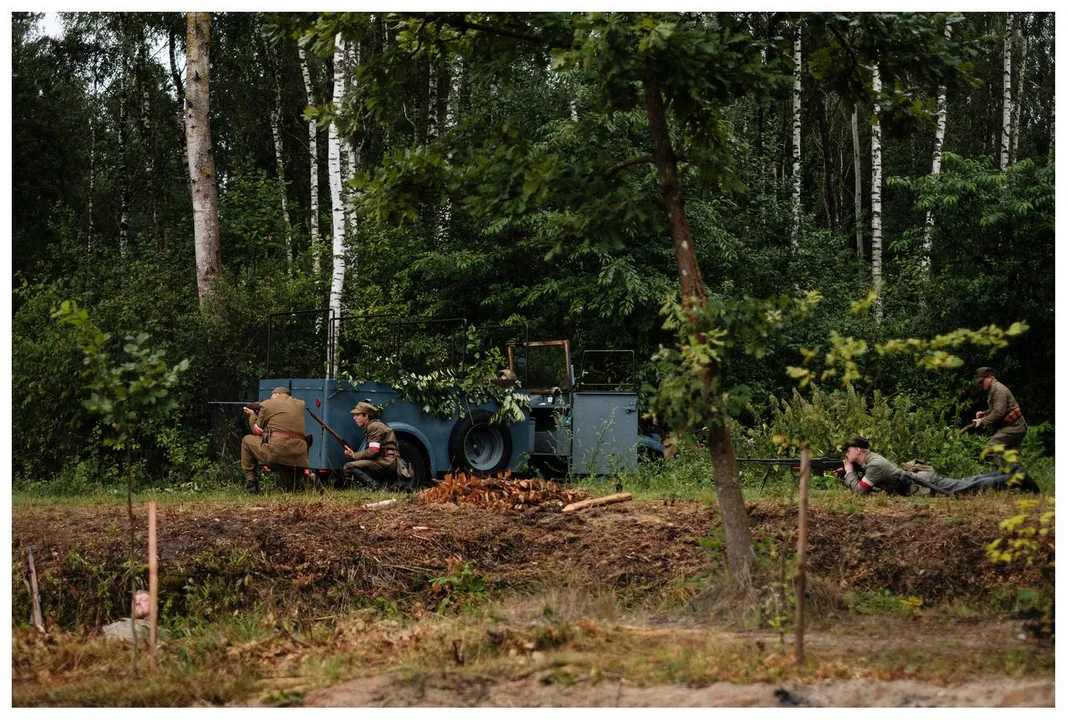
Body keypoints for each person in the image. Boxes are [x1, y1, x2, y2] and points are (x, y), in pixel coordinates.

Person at [838, 435, 1038, 496]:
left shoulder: (874, 465)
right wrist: (846, 474)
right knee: (967, 482)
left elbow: (861, 492)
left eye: (848, 450)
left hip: (922, 485)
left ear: (858, 451)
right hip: (920, 481)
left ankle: (1016, 479)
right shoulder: (871, 461)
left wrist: (848, 473)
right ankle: (1012, 472)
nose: (846, 454)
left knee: (967, 488)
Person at [241, 386, 309, 493]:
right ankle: (295, 486)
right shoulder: (300, 404)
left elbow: (257, 431)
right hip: (298, 456)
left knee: (246, 440)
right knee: (285, 458)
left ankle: (251, 484)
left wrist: (252, 415)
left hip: (278, 452)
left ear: (276, 394)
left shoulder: (267, 404)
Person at [971, 366, 1027, 459]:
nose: (980, 384)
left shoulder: (998, 390)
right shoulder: (993, 389)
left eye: (982, 381)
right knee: (1009, 459)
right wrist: (984, 414)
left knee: (988, 451)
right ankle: (1012, 472)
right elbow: (997, 409)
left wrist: (982, 421)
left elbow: (998, 412)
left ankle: (1007, 472)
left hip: (1014, 428)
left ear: (989, 377)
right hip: (1014, 427)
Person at [343, 401, 400, 487]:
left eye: (357, 415)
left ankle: (376, 487)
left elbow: (373, 451)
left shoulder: (374, 427)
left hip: (385, 462)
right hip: (386, 461)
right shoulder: (375, 425)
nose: (354, 418)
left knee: (348, 467)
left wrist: (354, 455)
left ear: (366, 416)